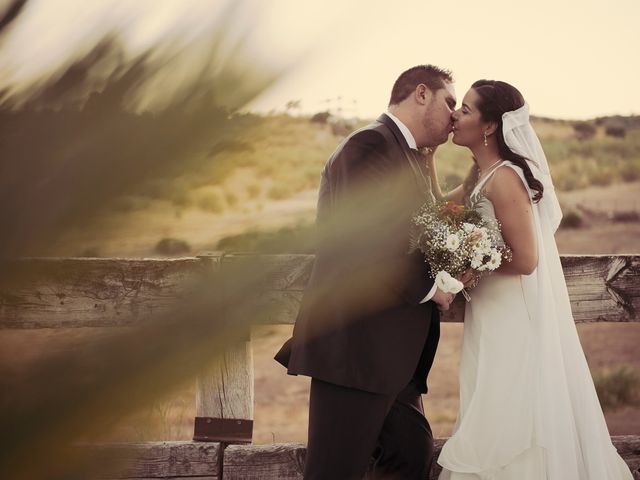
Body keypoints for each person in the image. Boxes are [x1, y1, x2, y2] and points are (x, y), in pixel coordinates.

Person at [434, 80, 633, 479]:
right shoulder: (481, 173)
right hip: (491, 316)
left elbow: (526, 258)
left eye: (467, 110)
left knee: (512, 412)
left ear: (490, 126)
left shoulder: (505, 178)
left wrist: (468, 268)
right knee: (492, 401)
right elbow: (439, 209)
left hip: (513, 320)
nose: (456, 115)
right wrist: (427, 155)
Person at [275, 65, 457, 479]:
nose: (454, 116)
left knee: (410, 455)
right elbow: (369, 243)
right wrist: (433, 288)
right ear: (422, 94)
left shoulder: (408, 154)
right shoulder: (370, 146)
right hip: (355, 347)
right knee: (333, 470)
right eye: (450, 102)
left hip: (389, 356)